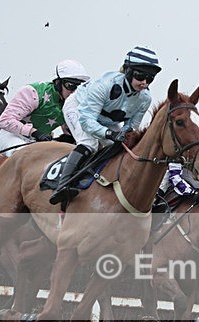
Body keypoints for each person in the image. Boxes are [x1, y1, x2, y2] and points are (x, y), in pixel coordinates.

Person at [49, 46, 161, 205]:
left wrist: (123, 135)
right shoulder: (104, 85)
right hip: (79, 109)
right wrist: (109, 134)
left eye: (150, 78)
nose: (144, 83)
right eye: (140, 76)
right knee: (90, 143)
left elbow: (131, 126)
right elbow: (87, 121)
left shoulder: (145, 99)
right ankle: (63, 185)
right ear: (128, 71)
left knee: (123, 148)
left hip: (106, 120)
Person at [0, 59, 90, 156]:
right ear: (57, 83)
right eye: (70, 85)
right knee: (26, 155)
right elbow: (4, 121)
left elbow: (70, 129)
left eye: (79, 87)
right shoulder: (33, 92)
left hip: (39, 143)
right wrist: (33, 132)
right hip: (12, 136)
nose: (74, 92)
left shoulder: (70, 104)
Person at [158, 110, 199, 206]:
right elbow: (174, 175)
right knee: (159, 190)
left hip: (196, 178)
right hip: (173, 177)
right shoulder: (183, 143)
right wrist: (192, 192)